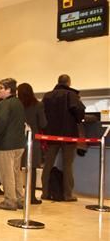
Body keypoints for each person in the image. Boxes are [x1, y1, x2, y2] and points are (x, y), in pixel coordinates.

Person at [41, 74, 85, 202]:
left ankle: (45, 192)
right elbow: (79, 112)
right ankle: (67, 194)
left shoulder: (47, 95)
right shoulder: (72, 95)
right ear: (69, 82)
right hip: (68, 135)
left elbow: (42, 112)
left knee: (48, 164)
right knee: (67, 164)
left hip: (50, 134)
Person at [0, 78, 26, 211]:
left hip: (6, 144)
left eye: (1, 88)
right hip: (19, 144)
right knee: (16, 173)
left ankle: (9, 200)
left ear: (9, 90)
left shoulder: (4, 104)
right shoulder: (18, 103)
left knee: (6, 173)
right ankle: (20, 199)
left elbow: (0, 123)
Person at [17, 83, 47, 204]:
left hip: (18, 139)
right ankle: (32, 196)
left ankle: (17, 194)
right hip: (33, 140)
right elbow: (43, 123)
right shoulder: (38, 105)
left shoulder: (17, 105)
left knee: (16, 168)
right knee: (32, 169)